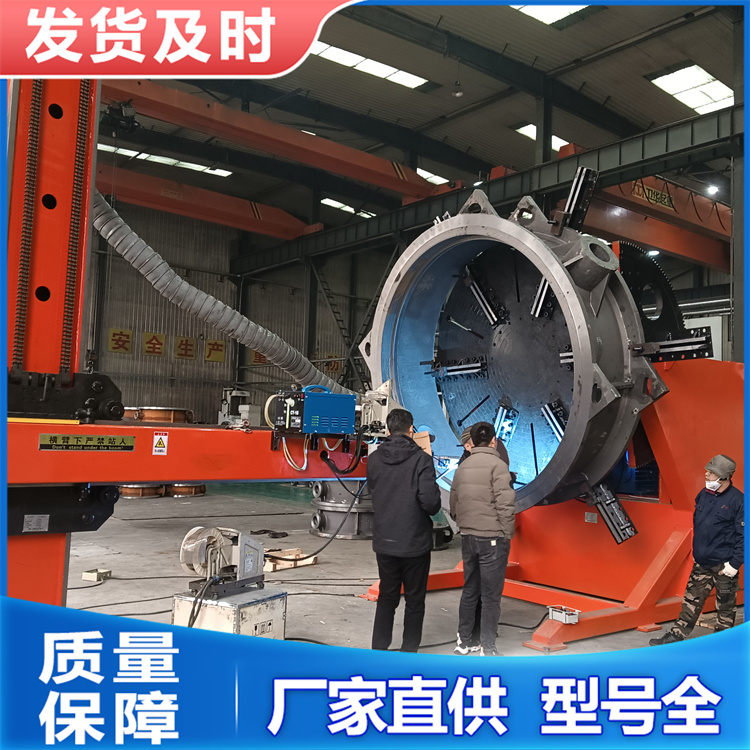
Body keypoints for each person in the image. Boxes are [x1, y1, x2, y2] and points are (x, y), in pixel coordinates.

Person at [368, 408, 442, 652]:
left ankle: (379, 651)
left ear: (388, 430)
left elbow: (374, 494)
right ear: (411, 430)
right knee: (414, 600)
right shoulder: (422, 460)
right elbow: (431, 504)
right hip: (414, 542)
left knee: (387, 597)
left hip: (385, 540)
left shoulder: (374, 459)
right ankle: (408, 652)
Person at [650, 454, 744, 645]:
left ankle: (722, 643)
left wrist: (734, 564)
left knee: (725, 606)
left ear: (724, 477)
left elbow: (745, 536)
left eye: (711, 472)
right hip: (702, 562)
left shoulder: (738, 501)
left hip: (724, 565)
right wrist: (697, 552)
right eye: (707, 471)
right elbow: (699, 524)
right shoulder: (703, 494)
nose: (706, 474)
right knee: (691, 601)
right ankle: (677, 635)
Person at [450, 422, 516, 656]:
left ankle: (464, 643)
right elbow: (505, 505)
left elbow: (454, 502)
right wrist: (507, 533)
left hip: (468, 536)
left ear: (472, 443)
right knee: (490, 597)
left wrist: (463, 524)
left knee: (470, 591)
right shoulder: (499, 467)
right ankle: (488, 648)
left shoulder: (462, 467)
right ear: (493, 442)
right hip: (492, 539)